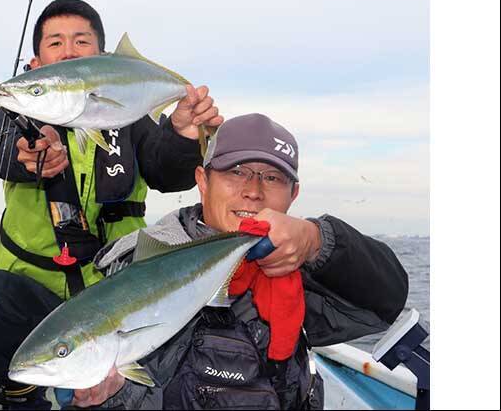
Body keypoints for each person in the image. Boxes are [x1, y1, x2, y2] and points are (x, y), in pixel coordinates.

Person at [0, 0, 223, 408]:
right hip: (37, 287)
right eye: (55, 43)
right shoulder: (19, 112)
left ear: (102, 57)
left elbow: (166, 173)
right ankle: (23, 396)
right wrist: (24, 157)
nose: (68, 51)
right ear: (38, 62)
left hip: (120, 291)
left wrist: (183, 134)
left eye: (81, 41)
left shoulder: (130, 116)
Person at [72, 113, 409, 409]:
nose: (253, 190)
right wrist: (112, 396)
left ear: (294, 194)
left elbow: (384, 302)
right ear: (203, 181)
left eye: (273, 177)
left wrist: (316, 241)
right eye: (236, 172)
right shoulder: (141, 261)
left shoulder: (295, 261)